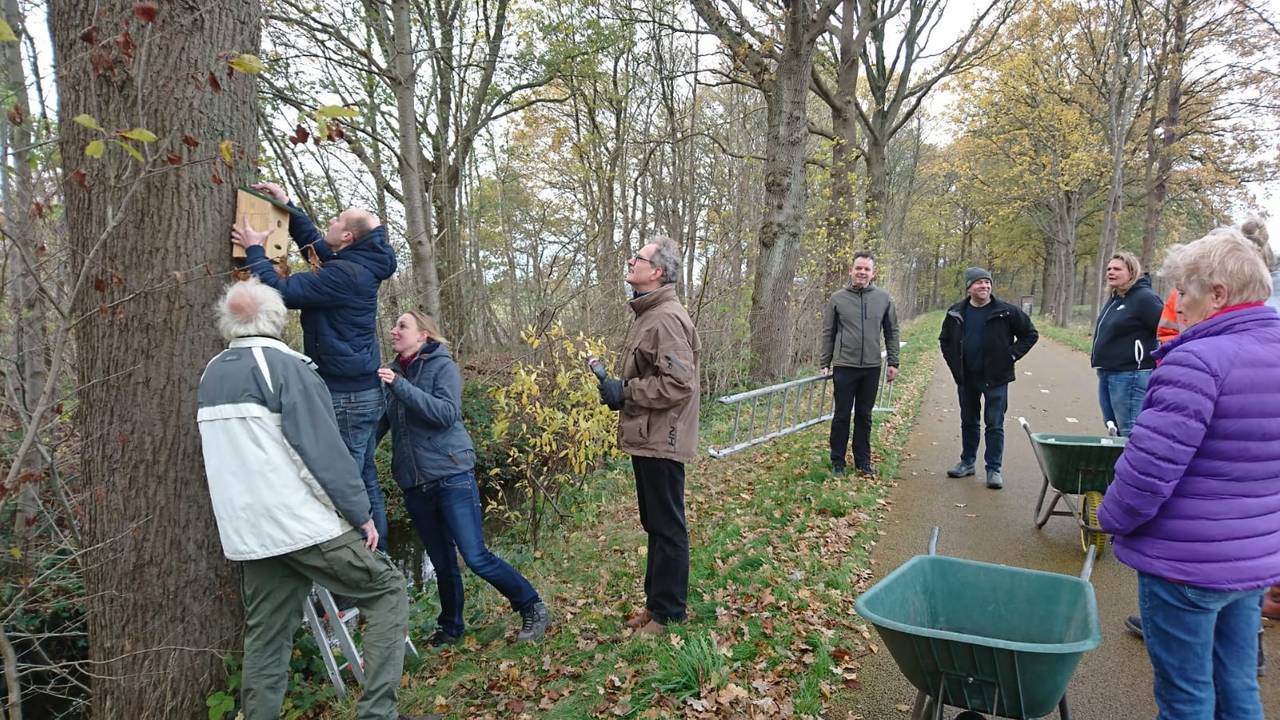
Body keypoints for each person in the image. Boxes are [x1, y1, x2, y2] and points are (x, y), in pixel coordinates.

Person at [196, 279, 415, 720]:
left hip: (248, 533)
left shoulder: (212, 374)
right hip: (298, 522)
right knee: (388, 589)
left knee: (267, 636)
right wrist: (360, 514)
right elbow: (321, 454)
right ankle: (378, 713)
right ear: (277, 317)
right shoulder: (287, 368)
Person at [1098, 227, 1280, 719]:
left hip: (1185, 564)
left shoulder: (1196, 361)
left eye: (1184, 291)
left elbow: (1147, 472)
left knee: (1186, 697)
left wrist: (1109, 518)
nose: (1175, 305)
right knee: (1238, 686)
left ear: (1217, 294)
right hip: (1252, 561)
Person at [231, 183, 397, 550]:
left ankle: (363, 561)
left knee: (345, 480)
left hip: (349, 398)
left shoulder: (346, 274)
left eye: (337, 220)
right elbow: (317, 250)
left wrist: (255, 249)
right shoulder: (358, 263)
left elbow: (282, 291)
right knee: (363, 475)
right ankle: (379, 556)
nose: (331, 222)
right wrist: (288, 206)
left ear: (348, 236)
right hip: (359, 391)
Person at [377, 311, 550, 646]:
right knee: (442, 563)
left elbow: (446, 414)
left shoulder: (441, 366)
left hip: (450, 475)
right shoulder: (392, 373)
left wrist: (400, 386)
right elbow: (380, 426)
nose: (393, 330)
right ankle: (451, 627)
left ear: (423, 335)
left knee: (475, 556)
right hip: (414, 484)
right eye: (394, 325)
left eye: (402, 326)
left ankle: (532, 605)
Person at [594, 236, 700, 636]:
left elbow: (678, 384)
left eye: (637, 257)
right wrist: (619, 390)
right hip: (650, 435)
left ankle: (670, 614)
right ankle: (656, 606)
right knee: (656, 523)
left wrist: (626, 391)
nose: (630, 261)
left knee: (668, 526)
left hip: (663, 438)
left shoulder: (666, 317)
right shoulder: (648, 313)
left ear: (656, 271)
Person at [938, 267, 1038, 489]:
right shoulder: (956, 312)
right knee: (968, 421)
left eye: (987, 282)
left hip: (996, 378)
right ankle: (967, 462)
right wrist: (955, 365)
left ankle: (994, 469)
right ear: (969, 287)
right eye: (979, 283)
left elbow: (1030, 334)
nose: (984, 286)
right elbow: (945, 340)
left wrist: (1011, 355)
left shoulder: (1006, 312)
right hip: (967, 378)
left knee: (994, 424)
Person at [819, 251, 900, 476]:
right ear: (851, 271)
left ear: (873, 273)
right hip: (845, 366)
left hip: (871, 367)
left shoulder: (883, 298)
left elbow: (892, 331)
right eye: (858, 268)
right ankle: (838, 462)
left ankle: (863, 462)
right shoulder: (837, 299)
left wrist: (893, 361)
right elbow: (828, 332)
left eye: (866, 269)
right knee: (842, 415)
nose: (862, 272)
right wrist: (825, 361)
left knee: (865, 415)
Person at [1090, 252, 1162, 436]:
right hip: (1107, 372)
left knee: (1130, 430)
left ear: (1131, 272)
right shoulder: (1116, 298)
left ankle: (1134, 456)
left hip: (1130, 374)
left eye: (1117, 269)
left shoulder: (1144, 298)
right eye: (1109, 269)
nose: (1111, 272)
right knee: (1112, 427)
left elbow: (1166, 330)